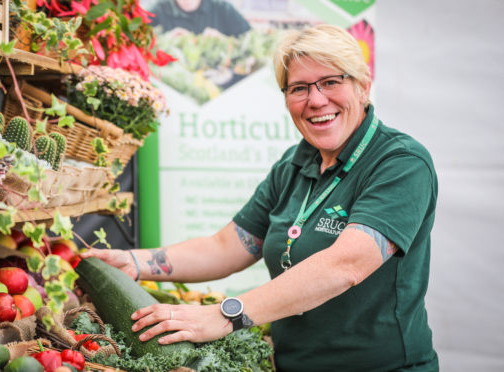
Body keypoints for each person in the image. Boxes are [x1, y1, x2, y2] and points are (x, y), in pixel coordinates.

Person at [81, 24, 439, 371]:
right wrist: (135, 262)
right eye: (299, 88)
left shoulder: (400, 162)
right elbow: (226, 247)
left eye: (331, 82)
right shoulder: (295, 164)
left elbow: (345, 266)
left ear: (363, 86)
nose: (315, 100)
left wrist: (224, 315)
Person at [148, 0, 251, 37]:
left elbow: (251, 41)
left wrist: (225, 42)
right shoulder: (159, 8)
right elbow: (135, 33)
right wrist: (165, 40)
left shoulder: (223, 8)